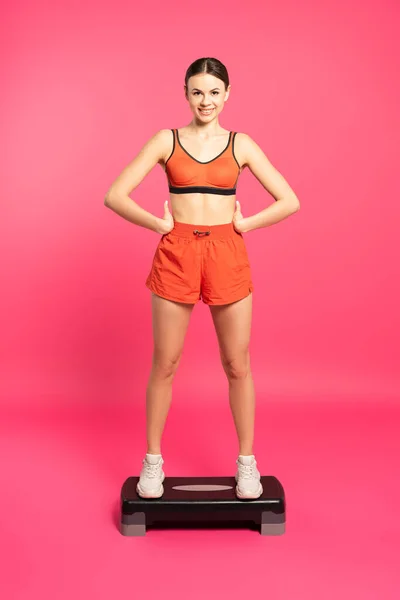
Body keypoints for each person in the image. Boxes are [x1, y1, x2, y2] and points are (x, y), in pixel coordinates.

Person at [104, 57, 300, 501]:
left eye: (214, 91)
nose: (206, 100)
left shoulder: (241, 144)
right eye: (197, 92)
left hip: (227, 251)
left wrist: (246, 226)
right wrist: (158, 225)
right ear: (186, 95)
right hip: (177, 253)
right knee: (166, 362)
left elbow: (289, 200)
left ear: (227, 93)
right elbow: (115, 195)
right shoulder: (166, 140)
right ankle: (152, 461)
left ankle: (246, 462)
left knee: (237, 363)